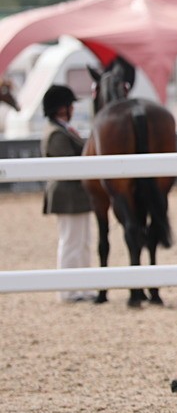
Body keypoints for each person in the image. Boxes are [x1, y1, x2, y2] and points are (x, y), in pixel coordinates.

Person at [40, 85, 96, 303]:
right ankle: (67, 290)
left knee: (83, 242)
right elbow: (69, 165)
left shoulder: (65, 130)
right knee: (71, 241)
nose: (73, 109)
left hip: (78, 196)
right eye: (70, 105)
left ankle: (83, 286)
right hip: (67, 196)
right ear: (61, 109)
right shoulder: (55, 135)